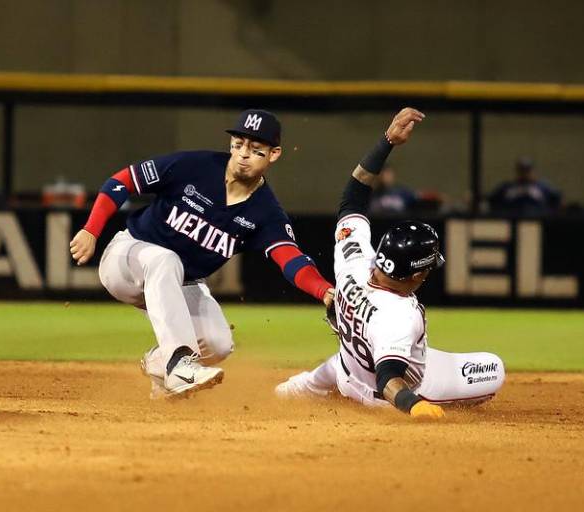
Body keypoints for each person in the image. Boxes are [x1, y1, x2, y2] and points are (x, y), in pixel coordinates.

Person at [69, 109, 334, 397]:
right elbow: (122, 181)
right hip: (127, 258)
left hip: (182, 282)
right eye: (239, 144)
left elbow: (291, 260)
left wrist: (324, 291)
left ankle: (160, 363)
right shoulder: (195, 166)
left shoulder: (266, 212)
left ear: (274, 154)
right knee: (165, 259)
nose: (244, 154)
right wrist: (91, 230)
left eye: (256, 149)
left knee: (217, 344)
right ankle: (178, 365)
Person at [275, 108, 505, 418]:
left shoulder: (354, 260)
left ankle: (293, 390)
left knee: (296, 389)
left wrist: (387, 141)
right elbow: (388, 380)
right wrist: (414, 405)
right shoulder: (399, 316)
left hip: (346, 369)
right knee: (493, 368)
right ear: (417, 274)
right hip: (386, 393)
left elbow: (353, 197)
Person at [487, 157, 561, 215]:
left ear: (533, 171)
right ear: (517, 172)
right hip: (512, 221)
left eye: (527, 171)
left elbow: (557, 201)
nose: (525, 174)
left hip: (537, 221)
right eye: (522, 171)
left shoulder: (543, 187)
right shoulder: (507, 187)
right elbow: (492, 201)